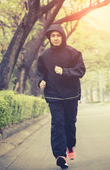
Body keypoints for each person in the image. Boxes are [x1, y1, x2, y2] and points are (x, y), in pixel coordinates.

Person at [37, 24, 86, 169]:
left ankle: (70, 145)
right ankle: (60, 155)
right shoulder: (44, 56)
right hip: (54, 95)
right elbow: (41, 73)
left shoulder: (73, 53)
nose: (56, 38)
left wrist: (65, 71)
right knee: (58, 124)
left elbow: (81, 70)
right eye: (53, 36)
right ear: (49, 38)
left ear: (63, 36)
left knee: (70, 123)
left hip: (71, 95)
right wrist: (42, 81)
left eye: (58, 35)